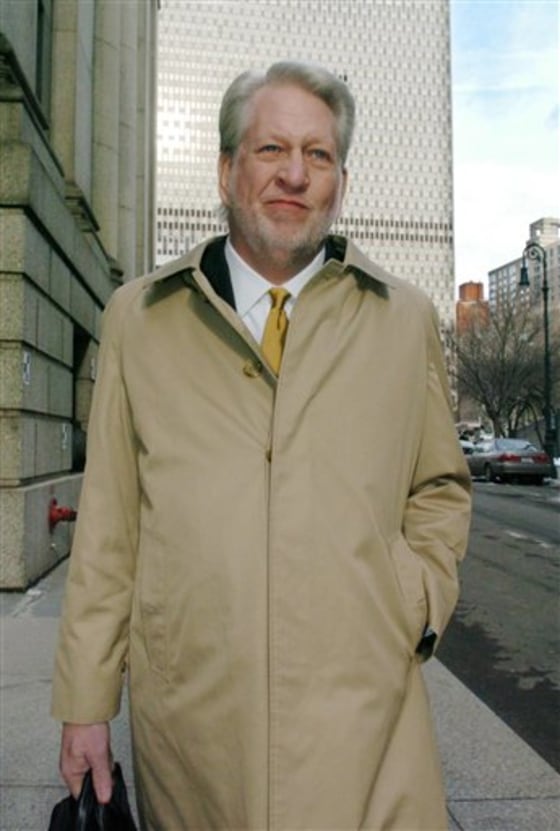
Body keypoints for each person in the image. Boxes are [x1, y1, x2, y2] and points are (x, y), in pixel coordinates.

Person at [52, 61, 472, 830]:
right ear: (226, 169)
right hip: (194, 729)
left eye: (318, 156)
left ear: (341, 179)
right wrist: (85, 704)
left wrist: (411, 600)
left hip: (370, 725)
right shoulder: (138, 320)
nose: (295, 174)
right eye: (271, 149)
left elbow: (440, 487)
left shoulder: (402, 318)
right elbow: (109, 525)